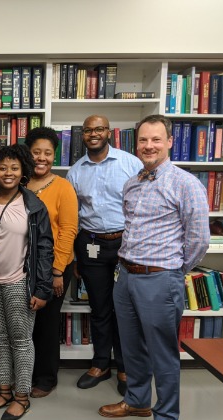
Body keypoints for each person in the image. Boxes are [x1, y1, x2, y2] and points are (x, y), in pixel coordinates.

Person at [99, 115, 209, 420]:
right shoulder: (132, 182)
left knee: (163, 354)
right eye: (144, 140)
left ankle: (165, 419)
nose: (149, 146)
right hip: (126, 276)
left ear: (169, 142)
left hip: (160, 279)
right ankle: (136, 401)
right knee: (131, 348)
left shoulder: (185, 184)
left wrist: (173, 270)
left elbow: (199, 239)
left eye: (156, 140)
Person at [66, 115, 143, 396]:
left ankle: (124, 367)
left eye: (99, 129)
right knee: (99, 308)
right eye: (88, 130)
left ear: (108, 132)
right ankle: (100, 364)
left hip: (125, 243)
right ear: (83, 135)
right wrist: (75, 256)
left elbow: (143, 203)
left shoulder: (130, 163)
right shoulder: (75, 171)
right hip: (91, 245)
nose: (93, 134)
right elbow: (73, 217)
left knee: (125, 309)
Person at [0, 144, 54, 420]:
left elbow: (45, 249)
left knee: (21, 341)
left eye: (14, 168)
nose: (7, 173)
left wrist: (42, 288)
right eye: (2, 168)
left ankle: (22, 397)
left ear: (23, 172)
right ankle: (4, 390)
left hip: (19, 282)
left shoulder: (33, 205)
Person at [25, 127, 78, 398]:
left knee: (46, 324)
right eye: (36, 152)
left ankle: (45, 378)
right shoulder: (18, 183)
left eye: (48, 153)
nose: (42, 158)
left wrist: (57, 272)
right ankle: (24, 373)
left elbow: (69, 230)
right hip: (22, 266)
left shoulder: (63, 187)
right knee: (24, 322)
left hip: (53, 267)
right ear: (27, 153)